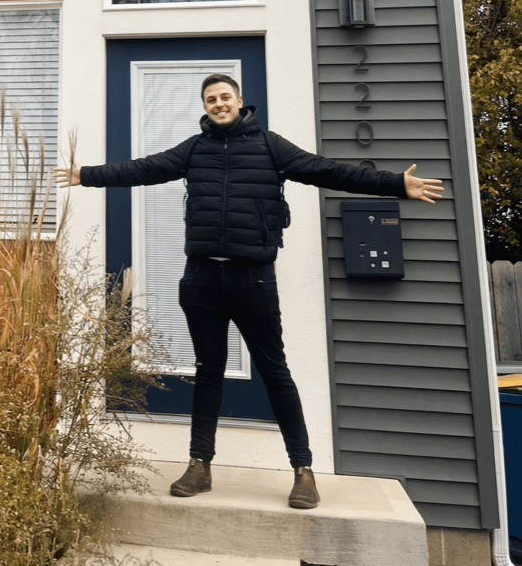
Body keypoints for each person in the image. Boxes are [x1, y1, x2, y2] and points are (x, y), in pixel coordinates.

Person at [55, 73, 444, 509]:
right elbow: (143, 168)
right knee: (208, 370)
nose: (219, 104)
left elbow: (328, 170)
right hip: (202, 278)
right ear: (205, 106)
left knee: (274, 371)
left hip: (253, 279)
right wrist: (86, 175)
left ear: (240, 100)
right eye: (210, 99)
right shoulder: (195, 149)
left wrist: (395, 184)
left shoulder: (270, 146)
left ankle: (303, 470)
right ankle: (199, 465)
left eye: (225, 97)